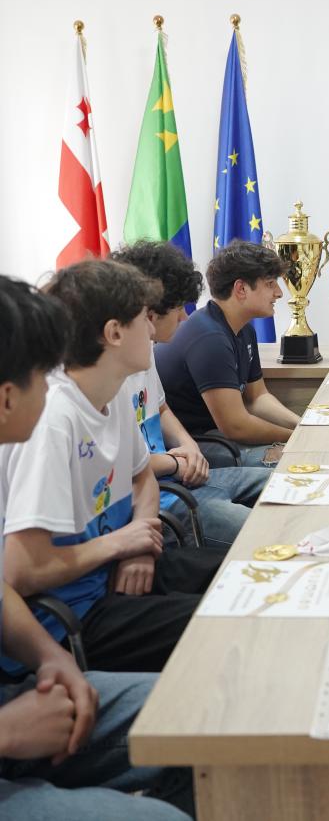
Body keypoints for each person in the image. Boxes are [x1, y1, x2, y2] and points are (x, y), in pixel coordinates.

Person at [0, 275, 194, 820]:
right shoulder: (57, 420)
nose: (54, 387)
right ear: (9, 396)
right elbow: (22, 572)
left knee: (203, 712)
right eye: (44, 375)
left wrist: (50, 657)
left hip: (34, 677)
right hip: (24, 696)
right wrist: (6, 731)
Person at [2, 260, 224, 674]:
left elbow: (143, 478)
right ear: (114, 333)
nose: (153, 330)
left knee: (243, 581)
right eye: (143, 318)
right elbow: (23, 570)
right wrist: (121, 544)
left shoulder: (114, 392)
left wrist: (138, 544)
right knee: (225, 628)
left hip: (115, 571)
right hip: (74, 615)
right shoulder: (53, 421)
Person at [110, 242, 271, 548]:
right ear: (150, 313)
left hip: (181, 476)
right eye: (178, 309)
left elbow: (161, 408)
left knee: (291, 483)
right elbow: (118, 465)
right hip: (163, 497)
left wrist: (188, 446)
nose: (184, 318)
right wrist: (174, 462)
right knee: (272, 533)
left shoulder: (145, 352)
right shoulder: (109, 378)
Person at [155, 241, 299, 468]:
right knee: (292, 460)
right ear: (241, 289)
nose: (279, 293)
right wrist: (295, 437)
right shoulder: (209, 337)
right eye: (270, 284)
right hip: (188, 445)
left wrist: (301, 424)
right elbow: (235, 426)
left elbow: (256, 398)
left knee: (298, 449)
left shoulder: (244, 329)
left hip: (214, 434)